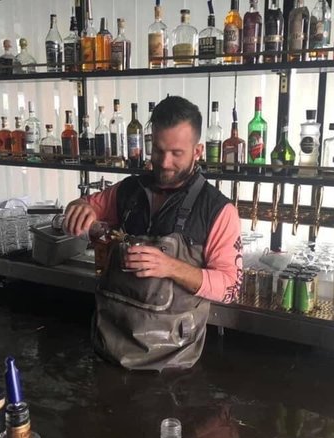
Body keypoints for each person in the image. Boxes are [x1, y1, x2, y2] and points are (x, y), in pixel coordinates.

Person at [63, 96, 242, 371]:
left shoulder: (218, 210)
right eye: (157, 151)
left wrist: (169, 267)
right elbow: (87, 206)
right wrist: (78, 207)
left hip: (170, 366)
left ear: (198, 151)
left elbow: (230, 287)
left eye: (176, 153)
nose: (165, 162)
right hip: (106, 346)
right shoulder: (128, 191)